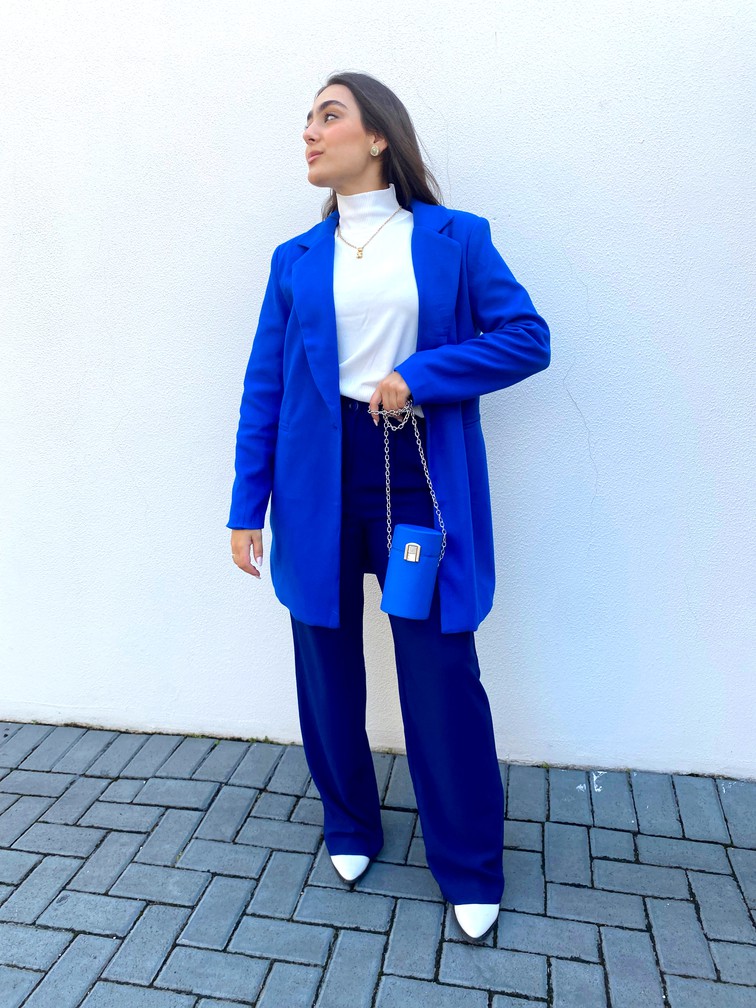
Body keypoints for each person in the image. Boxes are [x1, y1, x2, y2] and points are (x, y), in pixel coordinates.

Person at [228, 71, 550, 941]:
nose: (309, 131)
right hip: (316, 480)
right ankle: (349, 825)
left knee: (440, 669)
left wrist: (422, 373)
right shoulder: (295, 259)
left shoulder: (454, 238)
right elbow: (265, 387)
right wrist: (246, 505)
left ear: (378, 137)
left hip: (417, 474)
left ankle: (470, 862)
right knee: (324, 661)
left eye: (328, 115)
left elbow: (527, 338)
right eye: (306, 118)